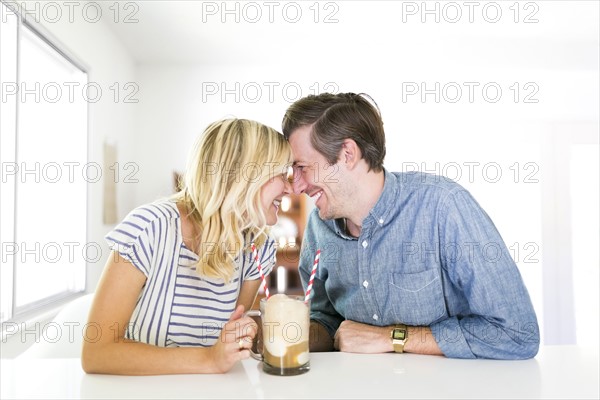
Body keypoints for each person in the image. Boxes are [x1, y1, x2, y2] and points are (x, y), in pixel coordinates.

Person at [282, 92, 540, 359]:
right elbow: (328, 321)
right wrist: (285, 332)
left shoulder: (445, 208)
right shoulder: (319, 228)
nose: (297, 185)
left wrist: (391, 338)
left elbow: (518, 334)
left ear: (347, 154)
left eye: (302, 167)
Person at [82, 119, 293, 374]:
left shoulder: (257, 247)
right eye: (282, 174)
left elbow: (224, 343)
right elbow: (97, 354)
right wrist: (208, 360)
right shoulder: (150, 228)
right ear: (243, 175)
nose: (291, 187)